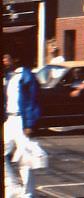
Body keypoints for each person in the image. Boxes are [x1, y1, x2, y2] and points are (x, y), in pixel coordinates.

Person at [4, 49, 42, 198]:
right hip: (9, 119)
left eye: (6, 58)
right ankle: (12, 186)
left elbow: (33, 100)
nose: (4, 61)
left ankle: (28, 194)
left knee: (25, 159)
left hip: (22, 120)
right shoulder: (9, 76)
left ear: (15, 59)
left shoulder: (26, 75)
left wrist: (30, 124)